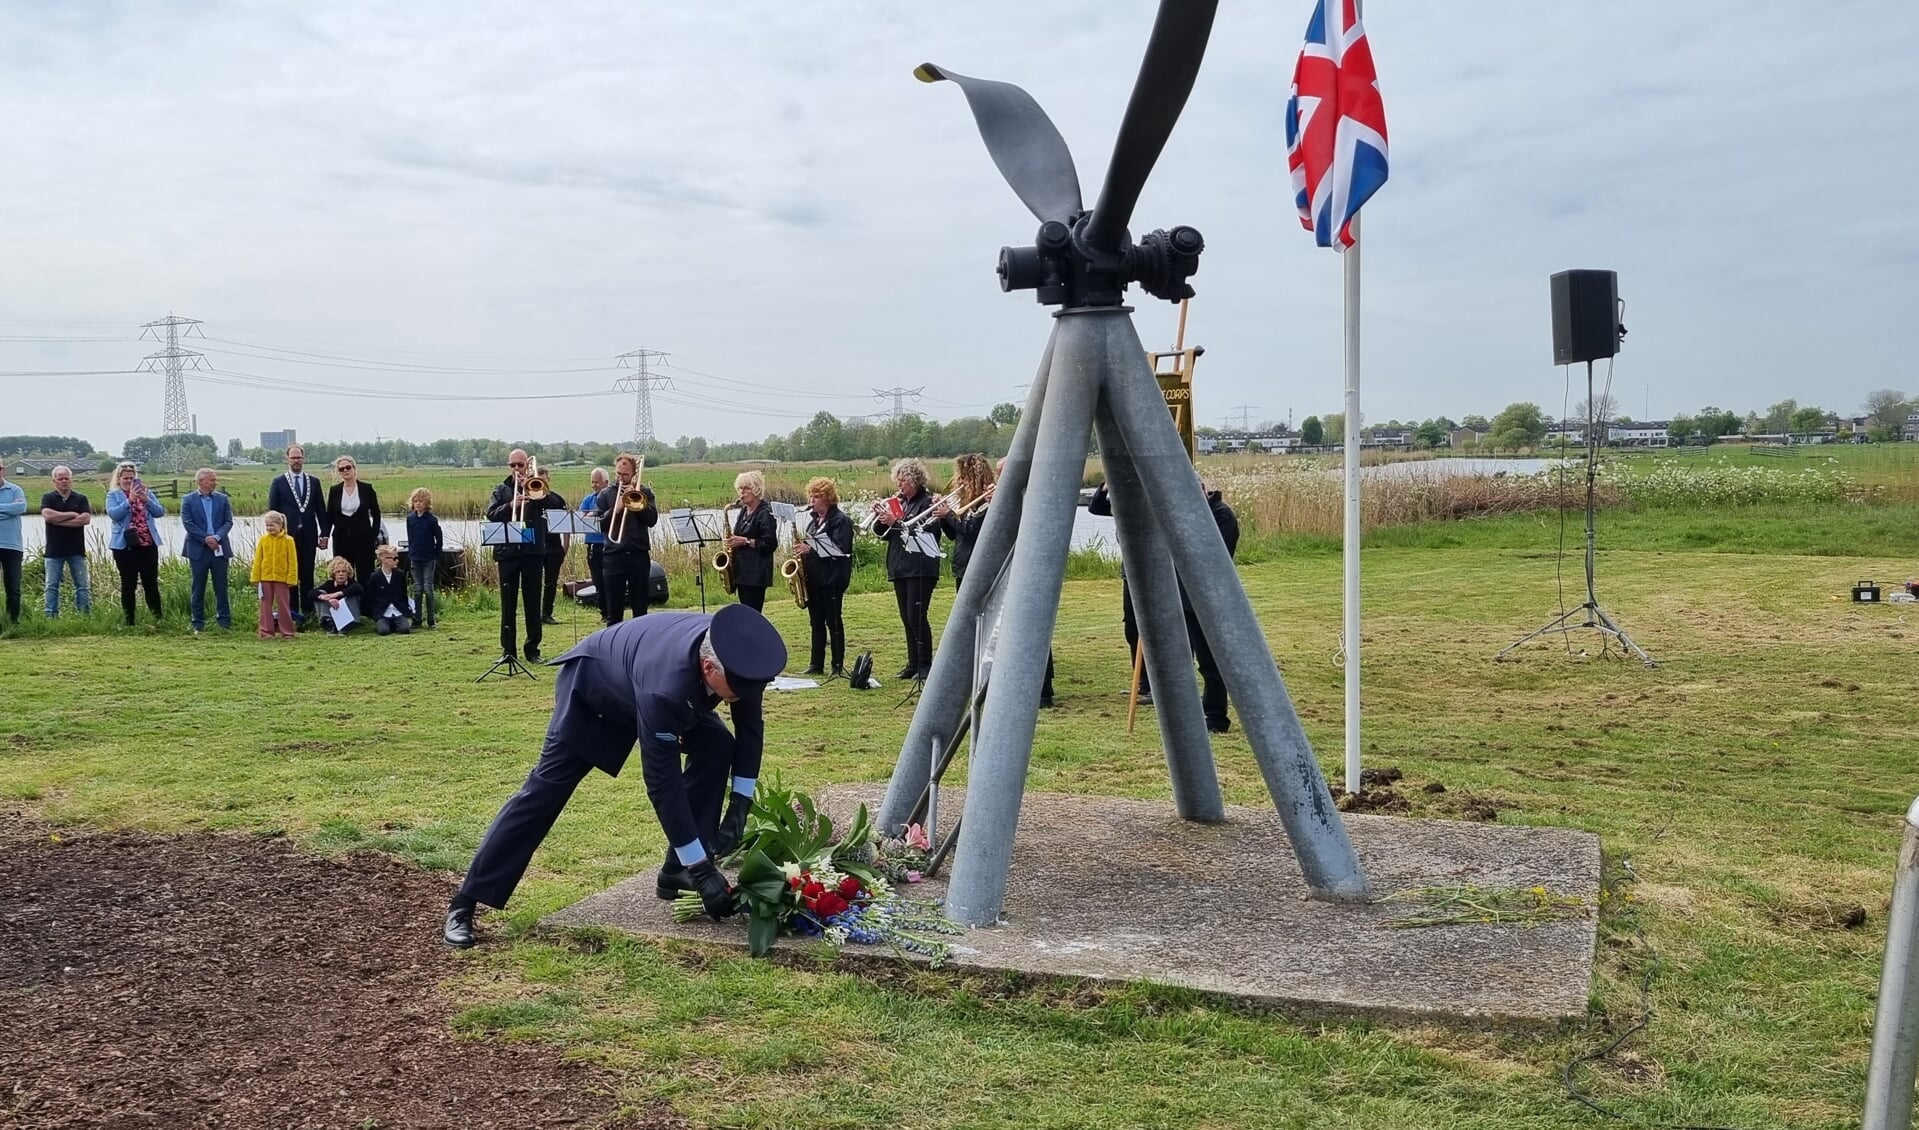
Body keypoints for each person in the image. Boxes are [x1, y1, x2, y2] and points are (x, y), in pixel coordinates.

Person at [443, 605, 788, 949]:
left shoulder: (738, 658)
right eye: (737, 691)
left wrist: (739, 807)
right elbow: (662, 784)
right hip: (595, 693)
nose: (743, 698)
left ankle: (676, 872)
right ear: (708, 668)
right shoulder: (665, 689)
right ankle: (465, 901)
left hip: (645, 678)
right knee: (543, 793)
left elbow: (750, 731)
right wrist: (703, 868)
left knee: (717, 745)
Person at [982, 456, 1056, 706]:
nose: (998, 479)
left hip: (1031, 569)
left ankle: (1043, 690)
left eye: (1003, 474)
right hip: (1010, 568)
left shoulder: (1032, 495)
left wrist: (999, 506)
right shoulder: (1013, 496)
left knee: (1034, 626)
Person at [485, 449, 563, 663]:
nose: (517, 469)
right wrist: (511, 505)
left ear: (527, 466)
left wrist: (536, 487)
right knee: (507, 603)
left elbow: (557, 505)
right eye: (513, 465)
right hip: (507, 553)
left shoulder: (536, 487)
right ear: (508, 466)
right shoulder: (501, 489)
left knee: (532, 601)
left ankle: (533, 650)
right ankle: (508, 651)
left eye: (520, 465)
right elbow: (490, 514)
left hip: (533, 552)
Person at [868, 457, 941, 680]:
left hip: (921, 567)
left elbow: (925, 532)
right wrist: (881, 518)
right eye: (898, 481)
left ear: (915, 481)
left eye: (903, 482)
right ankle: (912, 663)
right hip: (900, 565)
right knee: (906, 617)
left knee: (917, 615)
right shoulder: (900, 503)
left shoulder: (929, 503)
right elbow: (884, 535)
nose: (899, 486)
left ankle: (925, 664)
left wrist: (896, 523)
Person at [1086, 480, 1147, 703]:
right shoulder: (1124, 507)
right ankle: (1140, 682)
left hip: (1151, 575)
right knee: (1132, 629)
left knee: (1149, 631)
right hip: (1130, 574)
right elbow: (1095, 507)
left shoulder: (1149, 506)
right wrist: (1107, 484)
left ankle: (1155, 685)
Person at [1187, 482, 1240, 733]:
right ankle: (1188, 708)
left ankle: (1216, 716)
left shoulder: (1221, 515)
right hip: (1181, 598)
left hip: (1208, 600)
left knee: (1210, 660)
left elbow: (1215, 558)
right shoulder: (1187, 515)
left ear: (1203, 490)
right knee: (1178, 658)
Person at [792, 476, 854, 676]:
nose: (812, 501)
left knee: (834, 621)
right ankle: (816, 663)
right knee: (816, 621)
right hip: (815, 579)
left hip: (833, 578)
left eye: (816, 497)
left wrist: (810, 550)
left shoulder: (840, 521)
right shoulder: (813, 521)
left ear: (827, 498)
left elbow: (840, 549)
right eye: (810, 496)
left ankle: (837, 665)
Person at [266, 444, 329, 628]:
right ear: (287, 459)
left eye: (299, 457)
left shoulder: (314, 481)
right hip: (287, 537)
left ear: (304, 458)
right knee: (289, 576)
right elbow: (273, 512)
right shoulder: (279, 482)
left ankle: (309, 614)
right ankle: (291, 614)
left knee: (307, 575)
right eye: (293, 458)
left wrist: (324, 534)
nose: (296, 461)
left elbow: (320, 511)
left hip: (309, 536)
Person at [594, 453, 657, 624]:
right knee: (613, 613)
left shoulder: (644, 492)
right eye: (618, 474)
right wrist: (617, 508)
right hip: (613, 556)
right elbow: (599, 525)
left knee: (640, 611)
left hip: (638, 555)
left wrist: (638, 504)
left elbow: (652, 520)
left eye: (625, 475)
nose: (621, 478)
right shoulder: (605, 494)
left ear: (634, 474)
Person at [105, 462, 166, 626]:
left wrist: (146, 500)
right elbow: (114, 514)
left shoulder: (146, 493)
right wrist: (129, 501)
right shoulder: (113, 495)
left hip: (147, 544)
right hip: (125, 546)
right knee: (128, 584)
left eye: (132, 478)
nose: (129, 481)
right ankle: (129, 621)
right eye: (125, 478)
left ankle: (157, 618)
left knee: (151, 583)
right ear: (119, 479)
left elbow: (160, 512)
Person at [181, 467, 234, 633]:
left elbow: (228, 522)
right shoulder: (188, 500)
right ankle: (197, 623)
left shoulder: (223, 499)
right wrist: (206, 538)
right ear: (201, 481)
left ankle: (224, 622)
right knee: (198, 587)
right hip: (198, 549)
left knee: (221, 586)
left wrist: (216, 537)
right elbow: (188, 523)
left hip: (219, 548)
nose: (215, 482)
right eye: (212, 479)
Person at [38, 465, 92, 618]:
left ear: (71, 480)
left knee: (82, 586)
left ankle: (84, 616)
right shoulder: (48, 498)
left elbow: (85, 519)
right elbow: (48, 516)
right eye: (60, 479)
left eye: (66, 478)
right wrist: (72, 514)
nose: (64, 481)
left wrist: (59, 520)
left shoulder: (80, 498)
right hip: (54, 551)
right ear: (54, 481)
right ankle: (50, 616)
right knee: (51, 585)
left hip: (76, 550)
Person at [722, 470, 778, 613]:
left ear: (755, 490)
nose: (742, 493)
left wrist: (745, 541)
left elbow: (770, 544)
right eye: (740, 489)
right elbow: (739, 535)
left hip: (756, 573)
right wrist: (731, 542)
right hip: (742, 571)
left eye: (746, 489)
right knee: (745, 613)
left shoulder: (765, 512)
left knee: (753, 614)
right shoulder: (744, 510)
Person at [325, 456, 382, 590]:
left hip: (363, 539)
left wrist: (373, 534)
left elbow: (376, 513)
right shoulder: (334, 491)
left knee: (366, 573)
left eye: (348, 467)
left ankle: (366, 607)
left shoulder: (366, 489)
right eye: (341, 469)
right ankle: (345, 606)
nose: (345, 471)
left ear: (354, 469)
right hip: (341, 539)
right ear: (339, 472)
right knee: (342, 573)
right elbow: (330, 516)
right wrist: (325, 536)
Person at [250, 509, 300, 640]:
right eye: (267, 525)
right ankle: (266, 632)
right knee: (265, 605)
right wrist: (255, 577)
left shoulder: (289, 541)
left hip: (282, 578)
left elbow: (292, 562)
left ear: (280, 525)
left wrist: (291, 579)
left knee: (283, 605)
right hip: (265, 577)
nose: (269, 528)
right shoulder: (263, 540)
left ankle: (287, 632)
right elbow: (258, 559)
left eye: (272, 525)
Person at [405, 487, 442, 628]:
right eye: (415, 501)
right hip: (415, 557)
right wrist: (411, 553)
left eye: (421, 501)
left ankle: (431, 619)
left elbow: (439, 538)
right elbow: (410, 537)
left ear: (427, 503)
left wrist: (436, 554)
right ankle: (417, 618)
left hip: (428, 558)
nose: (418, 504)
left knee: (428, 588)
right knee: (417, 589)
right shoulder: (410, 518)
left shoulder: (431, 520)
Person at [539, 480, 573, 626]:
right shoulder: (529, 500)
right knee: (533, 582)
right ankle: (534, 613)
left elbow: (566, 525)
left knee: (551, 582)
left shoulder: (557, 499)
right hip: (535, 545)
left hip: (553, 546)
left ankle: (547, 613)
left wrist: (565, 546)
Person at [580, 467, 609, 623]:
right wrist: (589, 515)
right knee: (597, 579)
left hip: (608, 543)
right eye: (592, 482)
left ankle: (612, 611)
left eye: (597, 482)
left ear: (606, 482)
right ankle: (604, 612)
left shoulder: (612, 498)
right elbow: (580, 518)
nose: (594, 485)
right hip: (593, 544)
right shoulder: (588, 499)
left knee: (609, 579)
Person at [364, 544, 413, 636]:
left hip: (397, 611)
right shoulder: (375, 577)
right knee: (383, 631)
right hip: (383, 612)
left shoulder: (400, 575)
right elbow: (370, 597)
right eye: (394, 558)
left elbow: (404, 594)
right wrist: (375, 614)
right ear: (384, 559)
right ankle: (385, 624)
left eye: (397, 558)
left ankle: (396, 623)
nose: (397, 561)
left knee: (405, 629)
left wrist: (406, 610)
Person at [0, 458, 23, 626]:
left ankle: (13, 623)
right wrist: (8, 509)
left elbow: (20, 508)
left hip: (13, 546)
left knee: (13, 589)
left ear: (3, 470)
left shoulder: (15, 489)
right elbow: (13, 509)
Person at [315, 557, 363, 633]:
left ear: (348, 573)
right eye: (338, 572)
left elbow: (359, 588)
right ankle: (329, 623)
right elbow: (311, 593)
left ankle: (347, 625)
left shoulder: (352, 583)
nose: (341, 574)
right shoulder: (329, 584)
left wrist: (336, 594)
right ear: (334, 574)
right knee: (320, 593)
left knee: (353, 595)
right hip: (333, 612)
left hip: (348, 614)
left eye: (344, 571)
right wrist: (327, 598)